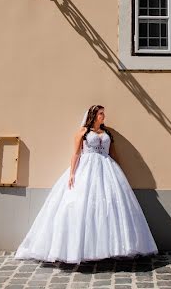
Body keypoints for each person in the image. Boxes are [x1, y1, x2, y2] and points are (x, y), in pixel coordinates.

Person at [15, 105, 158, 263]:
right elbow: (76, 153)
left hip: (107, 168)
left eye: (103, 114)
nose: (103, 116)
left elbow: (112, 153)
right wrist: (71, 174)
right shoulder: (83, 132)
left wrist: (119, 170)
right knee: (82, 204)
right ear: (94, 115)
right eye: (101, 114)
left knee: (110, 206)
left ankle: (111, 247)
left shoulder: (107, 133)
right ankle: (80, 249)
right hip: (87, 168)